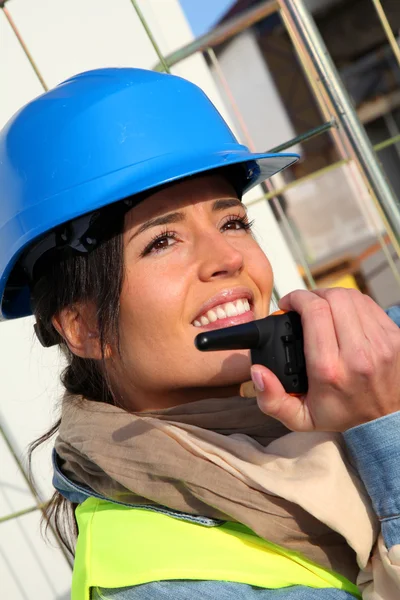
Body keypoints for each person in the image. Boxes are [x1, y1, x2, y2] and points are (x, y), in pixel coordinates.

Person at [1, 67, 400, 600]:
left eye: (233, 222)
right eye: (163, 240)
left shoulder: (360, 380)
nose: (228, 258)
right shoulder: (164, 585)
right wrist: (386, 431)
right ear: (86, 327)